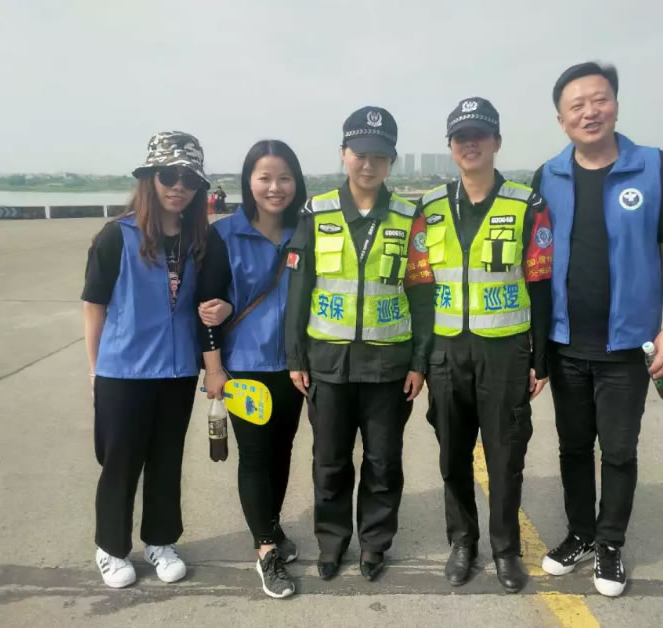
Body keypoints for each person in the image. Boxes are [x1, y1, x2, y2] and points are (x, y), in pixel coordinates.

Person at [533, 62, 663, 597]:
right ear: (561, 119)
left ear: (616, 105)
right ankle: (581, 533)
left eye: (599, 100)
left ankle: (610, 543)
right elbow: (536, 263)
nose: (590, 112)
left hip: (628, 345)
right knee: (573, 447)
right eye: (576, 105)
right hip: (565, 344)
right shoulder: (547, 176)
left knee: (620, 450)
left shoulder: (653, 167)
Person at [284, 106, 434, 582]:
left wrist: (419, 361)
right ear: (344, 154)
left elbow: (422, 295)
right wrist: (295, 356)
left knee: (383, 462)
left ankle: (374, 544)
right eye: (360, 154)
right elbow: (299, 290)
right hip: (327, 364)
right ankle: (332, 543)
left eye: (380, 156)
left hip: (388, 366)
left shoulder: (409, 217)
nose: (369, 165)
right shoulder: (317, 212)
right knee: (329, 463)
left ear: (391, 161)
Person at [421, 97, 553, 594]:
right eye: (461, 136)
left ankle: (505, 549)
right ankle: (462, 542)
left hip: (504, 352)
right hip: (446, 352)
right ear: (451, 146)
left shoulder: (526, 204)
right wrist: (422, 357)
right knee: (452, 456)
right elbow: (419, 289)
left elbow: (541, 284)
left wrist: (540, 357)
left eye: (479, 134)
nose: (470, 143)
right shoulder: (430, 207)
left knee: (505, 457)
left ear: (497, 142)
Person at [82, 131, 210, 588]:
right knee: (120, 462)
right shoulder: (116, 236)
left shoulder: (198, 239)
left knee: (167, 459)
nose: (179, 186)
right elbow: (94, 305)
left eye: (189, 179)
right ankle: (111, 547)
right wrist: (96, 369)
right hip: (125, 371)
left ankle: (160, 540)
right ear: (150, 178)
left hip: (177, 371)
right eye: (169, 175)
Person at [198, 140, 307, 599]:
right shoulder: (224, 235)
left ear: (296, 182)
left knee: (282, 451)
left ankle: (272, 525)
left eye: (284, 177)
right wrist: (215, 370)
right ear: (248, 182)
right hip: (245, 367)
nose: (274, 187)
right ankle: (266, 550)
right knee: (257, 456)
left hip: (295, 367)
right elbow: (206, 309)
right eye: (264, 178)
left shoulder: (306, 231)